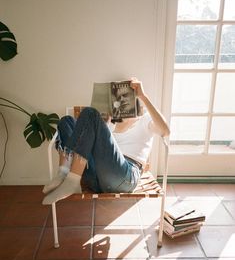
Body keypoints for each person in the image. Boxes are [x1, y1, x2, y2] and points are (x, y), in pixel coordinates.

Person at [42, 78, 170, 205]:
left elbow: (166, 131)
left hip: (124, 176)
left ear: (135, 98)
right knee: (67, 121)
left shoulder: (145, 120)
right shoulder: (110, 125)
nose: (122, 100)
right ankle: (63, 173)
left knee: (90, 113)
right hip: (96, 178)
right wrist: (103, 122)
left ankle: (72, 180)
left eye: (126, 96)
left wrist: (143, 96)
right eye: (118, 98)